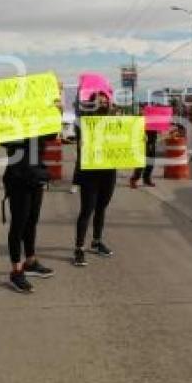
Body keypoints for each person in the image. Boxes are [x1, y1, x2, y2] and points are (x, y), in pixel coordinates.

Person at [1, 133, 56, 293]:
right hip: (18, 178)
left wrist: (56, 113)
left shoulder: (39, 119)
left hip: (36, 176)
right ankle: (16, 271)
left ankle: (30, 262)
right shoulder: (11, 119)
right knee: (19, 224)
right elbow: (2, 140)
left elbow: (51, 135)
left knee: (32, 221)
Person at [73, 91, 117, 267]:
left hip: (108, 171)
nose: (104, 102)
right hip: (90, 172)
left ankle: (97, 241)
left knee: (101, 208)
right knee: (87, 210)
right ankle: (79, 248)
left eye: (106, 100)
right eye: (99, 100)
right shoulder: (83, 121)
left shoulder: (114, 120)